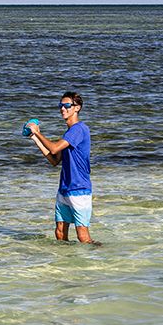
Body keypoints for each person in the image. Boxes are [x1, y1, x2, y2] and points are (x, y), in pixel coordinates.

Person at [28, 91, 99, 244]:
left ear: (77, 108)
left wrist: (38, 132)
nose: (62, 109)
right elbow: (54, 159)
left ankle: (102, 257)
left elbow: (54, 148)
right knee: (60, 232)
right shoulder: (69, 133)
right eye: (61, 105)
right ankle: (66, 263)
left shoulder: (79, 129)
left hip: (79, 189)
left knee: (83, 236)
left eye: (67, 105)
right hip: (65, 188)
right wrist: (35, 138)